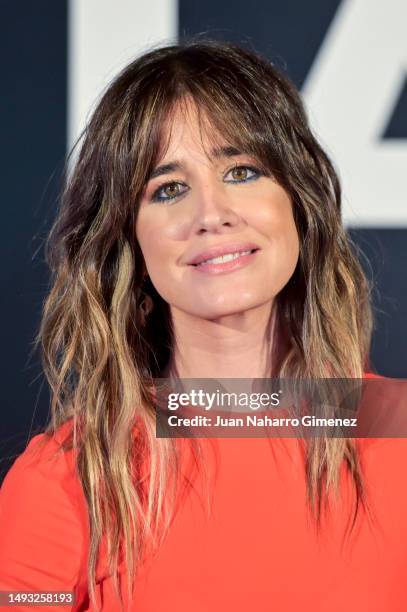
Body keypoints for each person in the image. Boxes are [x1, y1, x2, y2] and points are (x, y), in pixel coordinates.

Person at [1, 38, 406, 612]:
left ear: (299, 202)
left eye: (242, 171)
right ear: (129, 243)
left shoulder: (397, 429)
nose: (211, 213)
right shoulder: (69, 477)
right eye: (169, 189)